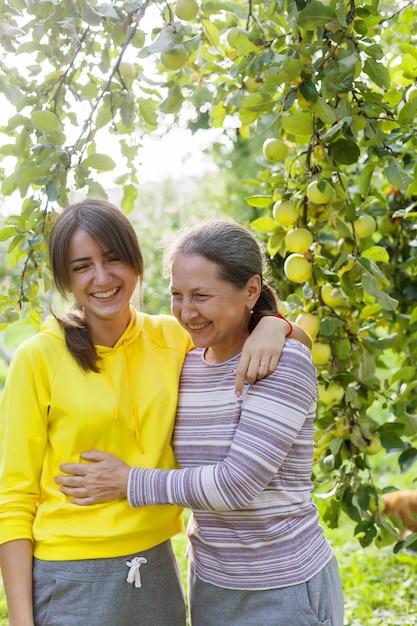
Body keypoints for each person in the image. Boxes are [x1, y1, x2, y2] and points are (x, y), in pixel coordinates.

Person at [0, 199, 311, 626]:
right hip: (70, 579)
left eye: (113, 259)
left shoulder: (174, 337)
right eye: (82, 266)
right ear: (66, 279)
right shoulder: (37, 358)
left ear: (136, 262)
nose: (102, 277)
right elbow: (13, 500)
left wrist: (278, 324)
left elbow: (250, 332)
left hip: (157, 570)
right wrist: (20, 621)